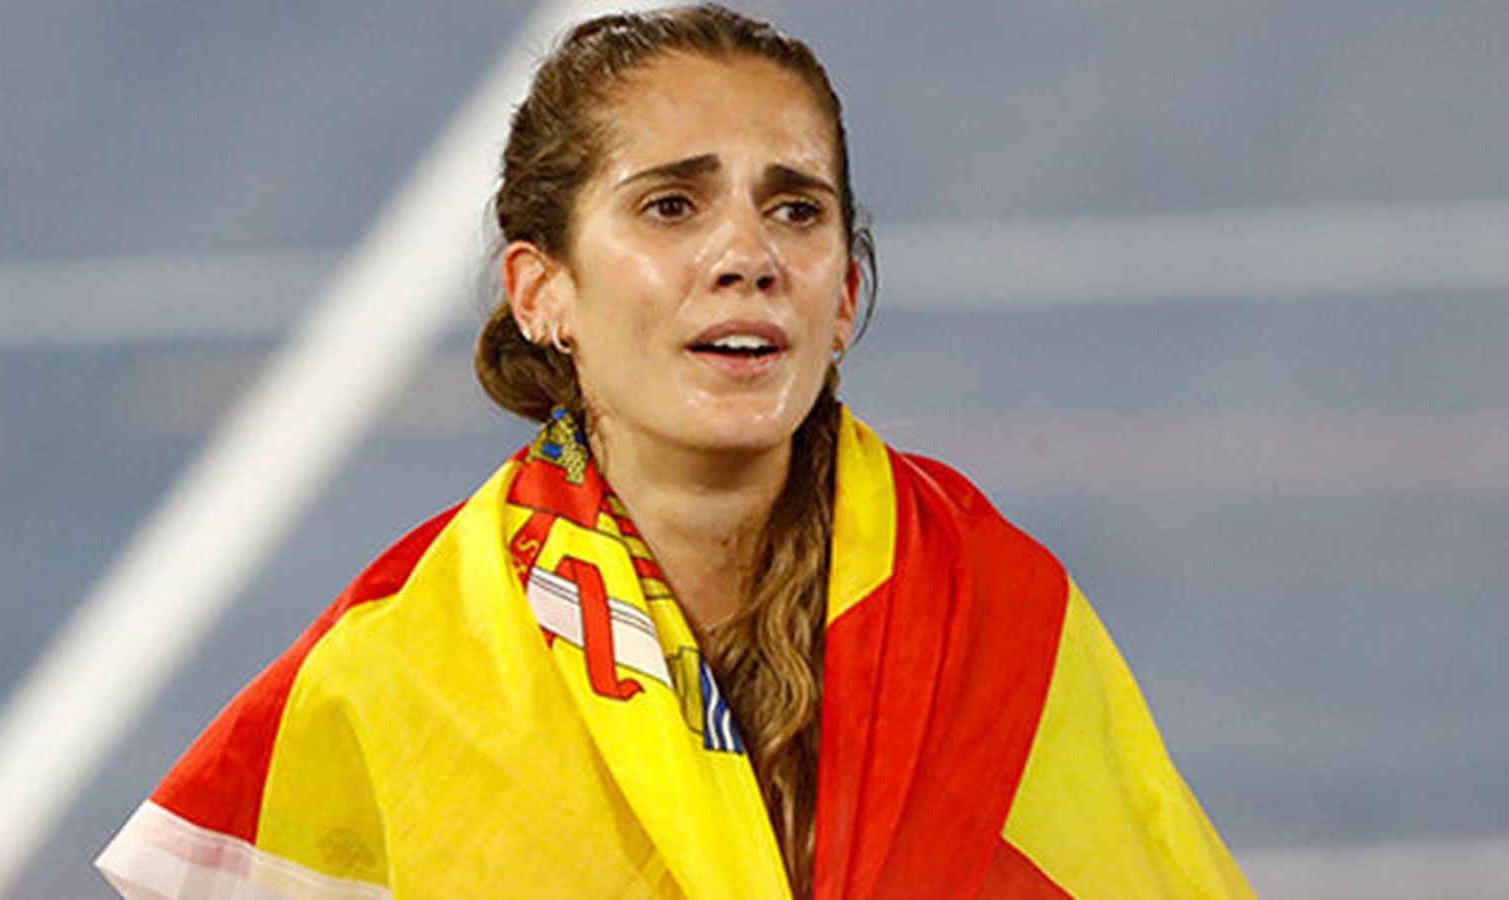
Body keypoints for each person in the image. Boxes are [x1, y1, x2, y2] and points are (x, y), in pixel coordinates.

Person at [96, 5, 1252, 898]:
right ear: (541, 290)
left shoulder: (995, 619)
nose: (747, 253)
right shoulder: (400, 680)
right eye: (670, 207)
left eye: (795, 209)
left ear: (843, 297)